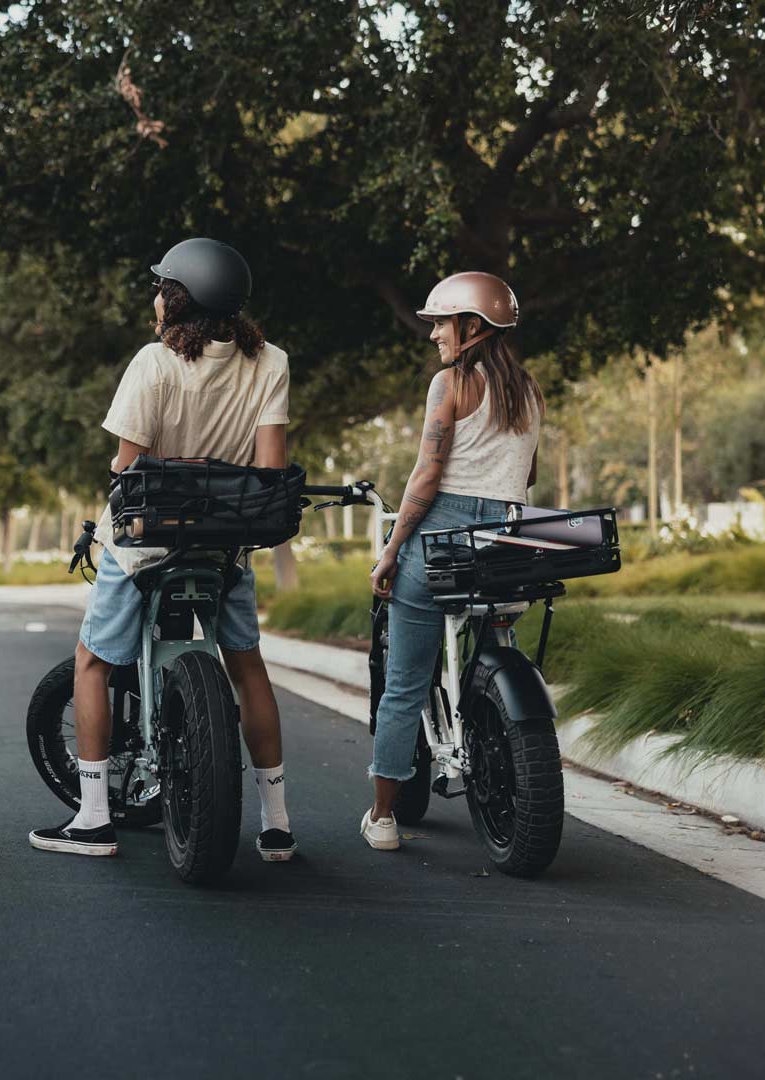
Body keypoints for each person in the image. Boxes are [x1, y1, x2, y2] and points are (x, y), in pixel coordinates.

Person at [28, 237, 301, 862]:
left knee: (91, 663)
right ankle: (278, 822)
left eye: (161, 288)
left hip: (146, 546)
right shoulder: (272, 364)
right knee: (247, 665)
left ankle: (95, 818)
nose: (155, 298)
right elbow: (269, 468)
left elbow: (127, 468)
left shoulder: (154, 364)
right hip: (225, 549)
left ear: (177, 299)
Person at [363, 271, 542, 852]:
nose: (434, 333)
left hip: (446, 538)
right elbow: (527, 474)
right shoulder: (529, 391)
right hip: (508, 543)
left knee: (404, 683)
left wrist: (391, 553)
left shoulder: (451, 384)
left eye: (441, 322)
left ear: (471, 327)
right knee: (493, 636)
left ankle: (384, 817)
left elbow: (428, 475)